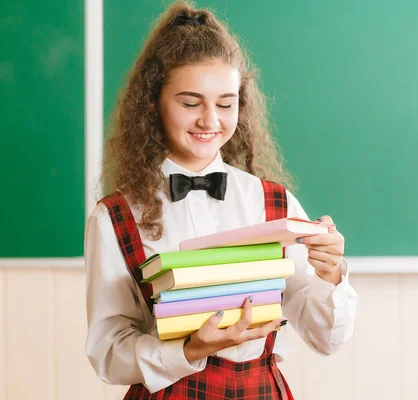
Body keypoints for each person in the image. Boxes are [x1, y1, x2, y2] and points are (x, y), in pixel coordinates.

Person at [84, 1, 358, 398]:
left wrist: (331, 275)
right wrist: (188, 350)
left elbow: (326, 339)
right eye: (190, 103)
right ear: (153, 104)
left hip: (259, 388)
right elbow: (108, 351)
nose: (210, 121)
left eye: (226, 104)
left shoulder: (274, 203)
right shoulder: (115, 217)